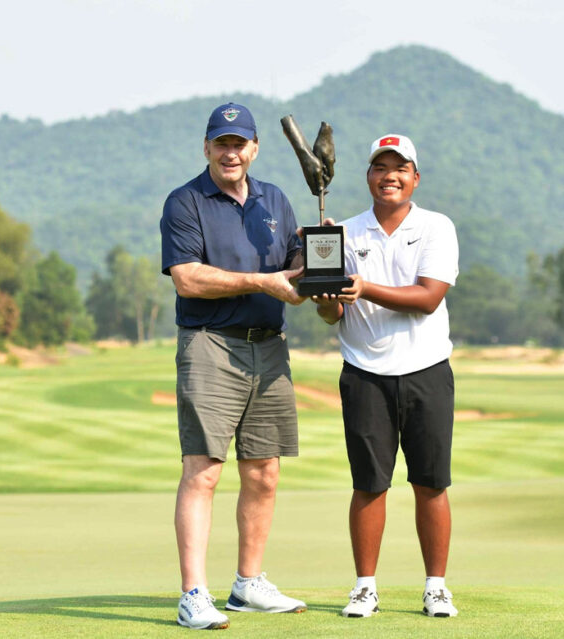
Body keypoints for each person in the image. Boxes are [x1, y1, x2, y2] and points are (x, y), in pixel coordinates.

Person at [160, 102, 309, 630]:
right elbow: (188, 278)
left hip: (268, 346)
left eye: (239, 142)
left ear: (254, 148)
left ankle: (248, 585)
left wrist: (322, 254)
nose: (231, 151)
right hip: (210, 344)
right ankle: (193, 594)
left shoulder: (276, 200)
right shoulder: (186, 202)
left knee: (264, 472)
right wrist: (263, 282)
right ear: (207, 148)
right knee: (203, 471)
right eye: (221, 143)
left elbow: (295, 267)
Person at [312, 134, 460, 619]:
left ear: (415, 177)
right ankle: (364, 588)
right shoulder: (345, 233)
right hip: (365, 373)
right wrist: (325, 291)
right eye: (381, 167)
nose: (389, 175)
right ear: (368, 176)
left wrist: (365, 287)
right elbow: (333, 316)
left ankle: (436, 587)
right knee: (369, 484)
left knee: (431, 483)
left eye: (400, 168)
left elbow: (428, 298)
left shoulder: (436, 227)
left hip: (426, 370)